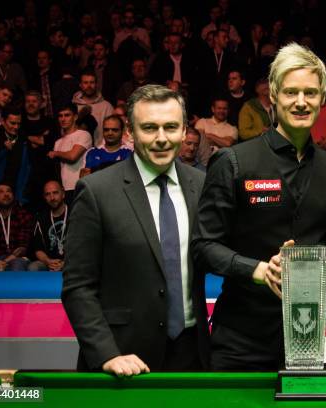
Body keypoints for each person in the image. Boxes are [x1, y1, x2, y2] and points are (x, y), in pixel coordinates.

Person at [192, 43, 326, 371]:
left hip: (307, 336)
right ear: (273, 95)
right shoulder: (233, 161)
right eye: (291, 92)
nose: (301, 102)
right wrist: (257, 269)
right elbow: (203, 247)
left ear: (322, 98)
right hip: (239, 337)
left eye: (310, 92)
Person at [62, 84, 208, 374]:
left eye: (170, 127)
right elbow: (78, 286)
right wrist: (106, 354)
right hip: (121, 358)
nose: (161, 138)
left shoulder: (202, 186)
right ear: (130, 132)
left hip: (192, 356)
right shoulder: (96, 191)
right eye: (150, 128)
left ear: (184, 131)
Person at [48, 104, 93, 203]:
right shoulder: (58, 142)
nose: (63, 119)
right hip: (65, 189)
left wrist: (55, 153)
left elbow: (73, 156)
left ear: (75, 117)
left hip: (81, 186)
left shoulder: (83, 134)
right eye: (60, 116)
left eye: (67, 115)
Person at [29, 180, 68, 271]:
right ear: (44, 197)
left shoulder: (76, 213)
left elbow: (83, 247)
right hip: (50, 262)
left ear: (63, 193)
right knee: (33, 267)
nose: (52, 197)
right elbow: (38, 249)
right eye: (48, 194)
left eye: (55, 193)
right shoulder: (40, 218)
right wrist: (48, 261)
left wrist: (65, 263)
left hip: (73, 261)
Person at [194, 97, 238, 166]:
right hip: (201, 163)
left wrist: (209, 135)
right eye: (219, 108)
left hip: (222, 164)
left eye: (224, 109)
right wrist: (221, 141)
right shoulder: (202, 122)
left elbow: (228, 144)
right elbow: (199, 141)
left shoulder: (232, 129)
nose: (222, 111)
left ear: (228, 110)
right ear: (213, 109)